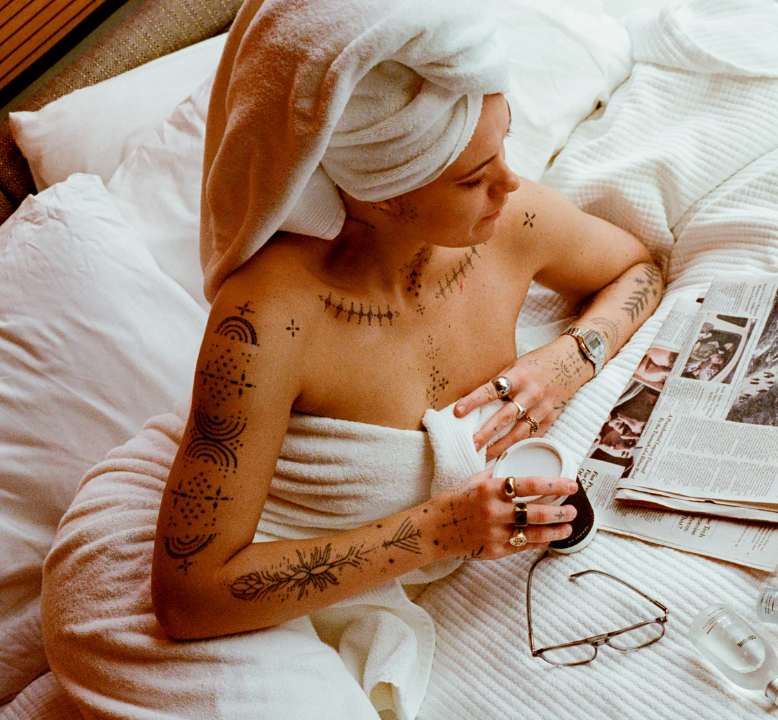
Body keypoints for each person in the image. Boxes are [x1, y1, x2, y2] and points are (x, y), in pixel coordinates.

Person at [41, 1, 661, 718]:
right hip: (157, 579)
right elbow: (189, 597)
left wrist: (571, 357)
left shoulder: (507, 224)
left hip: (314, 573)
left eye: (504, 150)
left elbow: (638, 271)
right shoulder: (266, 320)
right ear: (381, 195)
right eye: (472, 178)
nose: (510, 185)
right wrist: (442, 532)